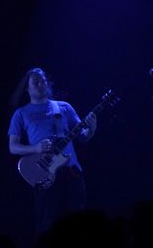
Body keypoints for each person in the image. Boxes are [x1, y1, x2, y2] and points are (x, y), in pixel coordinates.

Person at [8, 68, 97, 238]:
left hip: (71, 171)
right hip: (44, 173)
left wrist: (91, 130)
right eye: (36, 82)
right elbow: (13, 147)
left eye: (43, 81)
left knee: (81, 221)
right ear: (27, 88)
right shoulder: (21, 114)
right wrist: (35, 148)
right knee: (46, 224)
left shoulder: (63, 107)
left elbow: (83, 138)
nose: (41, 84)